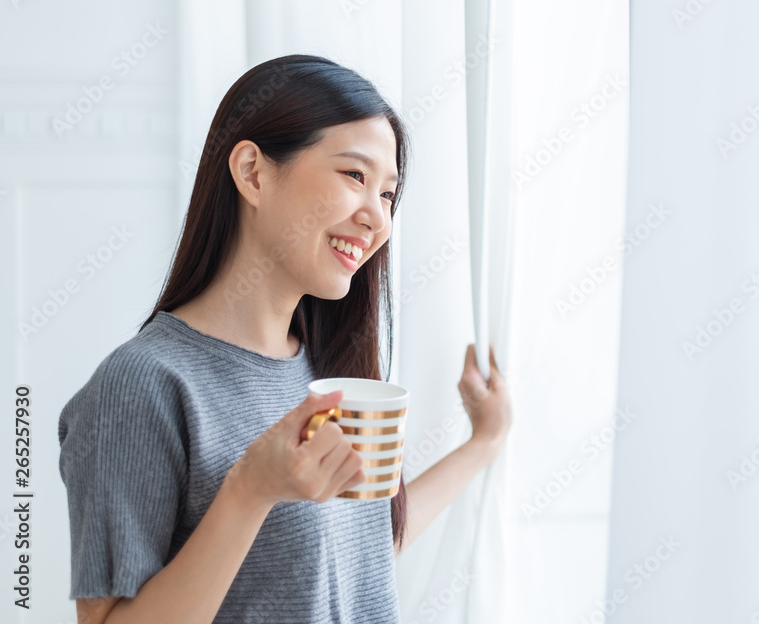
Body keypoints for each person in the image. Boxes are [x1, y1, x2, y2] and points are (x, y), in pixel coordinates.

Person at [56, 54, 513, 624]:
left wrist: (484, 443)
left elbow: (352, 549)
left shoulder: (327, 367)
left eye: (389, 194)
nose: (378, 217)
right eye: (355, 176)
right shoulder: (143, 386)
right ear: (252, 171)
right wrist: (250, 491)